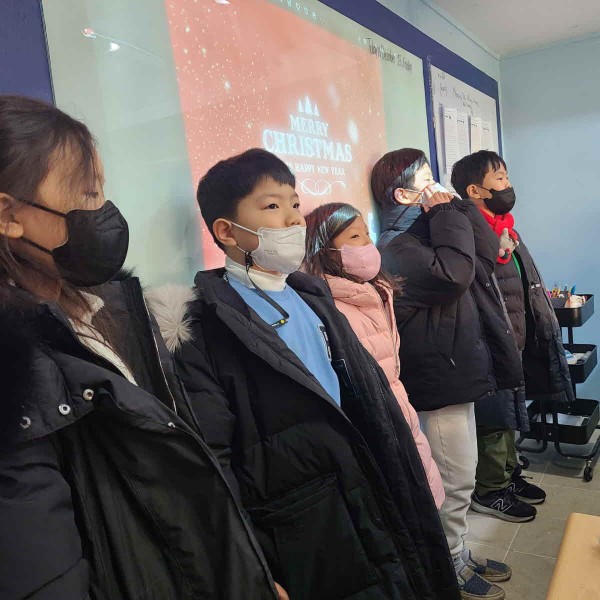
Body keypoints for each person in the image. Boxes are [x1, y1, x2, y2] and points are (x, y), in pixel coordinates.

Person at [148, 148, 460, 600]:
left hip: (366, 489)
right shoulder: (205, 328)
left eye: (295, 203)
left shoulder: (311, 296)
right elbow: (213, 461)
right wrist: (251, 563)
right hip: (301, 529)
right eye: (272, 205)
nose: (294, 218)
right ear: (226, 231)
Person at [0, 96, 277, 599]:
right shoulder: (16, 370)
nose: (104, 212)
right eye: (87, 193)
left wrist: (246, 577)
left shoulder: (110, 313)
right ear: (8, 215)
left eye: (103, 190)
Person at [371, 148, 511, 600]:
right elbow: (455, 276)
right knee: (452, 481)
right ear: (403, 195)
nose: (438, 188)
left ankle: (458, 551)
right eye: (427, 180)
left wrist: (453, 210)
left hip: (456, 374)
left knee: (462, 476)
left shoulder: (431, 231)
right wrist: (447, 213)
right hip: (437, 381)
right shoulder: (395, 247)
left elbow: (485, 254)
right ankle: (447, 563)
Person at [302, 202, 445, 509]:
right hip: (372, 425)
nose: (367, 244)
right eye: (355, 237)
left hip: (399, 408)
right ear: (324, 250)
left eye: (367, 234)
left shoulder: (376, 291)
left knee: (423, 496)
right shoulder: (324, 306)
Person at [451, 150, 570, 518]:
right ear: (474, 190)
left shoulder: (504, 227)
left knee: (512, 413)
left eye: (506, 176)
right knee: (495, 416)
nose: (508, 184)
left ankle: (508, 474)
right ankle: (490, 490)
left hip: (513, 335)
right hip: (490, 341)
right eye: (499, 178)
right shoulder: (468, 232)